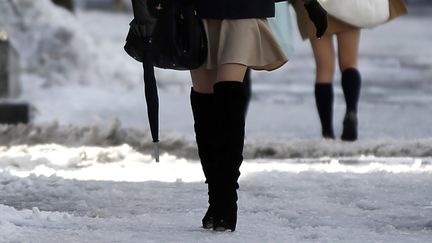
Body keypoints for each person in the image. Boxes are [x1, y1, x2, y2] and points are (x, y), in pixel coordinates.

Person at [190, 0, 327, 231]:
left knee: (228, 93)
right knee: (205, 102)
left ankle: (226, 200)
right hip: (195, 9)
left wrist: (309, 3)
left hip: (243, 9)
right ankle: (216, 197)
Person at [291, 0, 408, 141]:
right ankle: (351, 111)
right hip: (346, 4)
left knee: (324, 69)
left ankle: (327, 134)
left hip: (311, 4)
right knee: (349, 63)